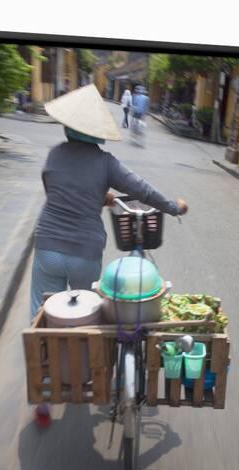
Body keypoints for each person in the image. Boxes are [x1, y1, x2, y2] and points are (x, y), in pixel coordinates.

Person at [30, 84, 188, 320]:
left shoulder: (54, 154)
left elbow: (54, 191)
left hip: (47, 247)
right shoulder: (106, 163)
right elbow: (142, 190)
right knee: (83, 317)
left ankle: (39, 351)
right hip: (85, 252)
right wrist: (174, 207)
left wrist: (97, 198)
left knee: (41, 315)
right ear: (96, 132)